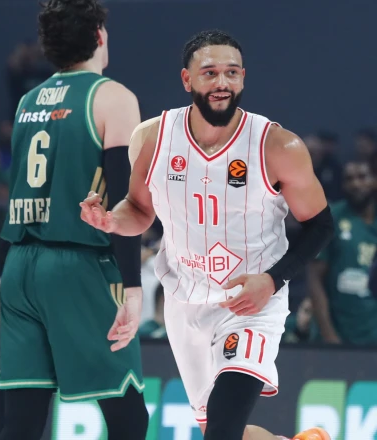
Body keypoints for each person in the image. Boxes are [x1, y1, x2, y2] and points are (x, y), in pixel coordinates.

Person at [80, 30, 333, 440]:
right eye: (210, 72)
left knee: (221, 428)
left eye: (232, 72)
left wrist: (272, 281)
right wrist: (111, 221)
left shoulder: (277, 146)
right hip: (185, 301)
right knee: (215, 427)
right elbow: (139, 210)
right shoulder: (152, 138)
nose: (222, 82)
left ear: (243, 78)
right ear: (187, 79)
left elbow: (321, 225)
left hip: (250, 304)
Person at [0, 1, 148, 439]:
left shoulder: (28, 101)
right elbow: (122, 201)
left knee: (22, 422)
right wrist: (133, 287)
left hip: (19, 266)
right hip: (78, 265)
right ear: (99, 34)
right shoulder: (113, 98)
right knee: (128, 417)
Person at [309, 160, 377, 345]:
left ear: (374, 180)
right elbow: (314, 278)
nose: (356, 183)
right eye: (349, 179)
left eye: (362, 177)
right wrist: (328, 334)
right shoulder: (331, 217)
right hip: (339, 330)